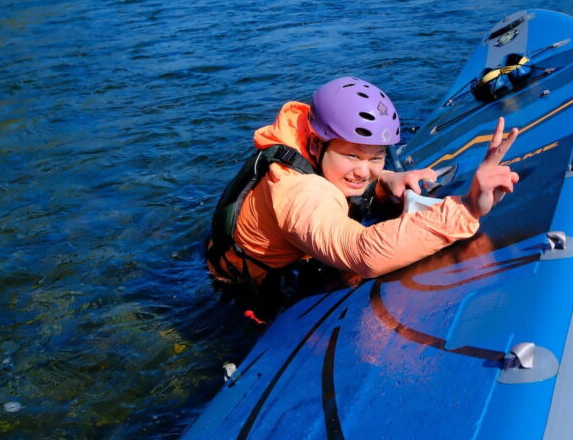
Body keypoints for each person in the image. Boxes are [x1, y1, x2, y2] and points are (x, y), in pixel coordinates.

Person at [206, 76, 520, 318]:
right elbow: (364, 253)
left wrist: (386, 180)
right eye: (352, 155)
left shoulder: (310, 137)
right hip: (246, 287)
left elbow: (355, 172)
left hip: (273, 249)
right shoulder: (300, 193)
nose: (362, 171)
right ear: (316, 145)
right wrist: (466, 209)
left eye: (376, 157)